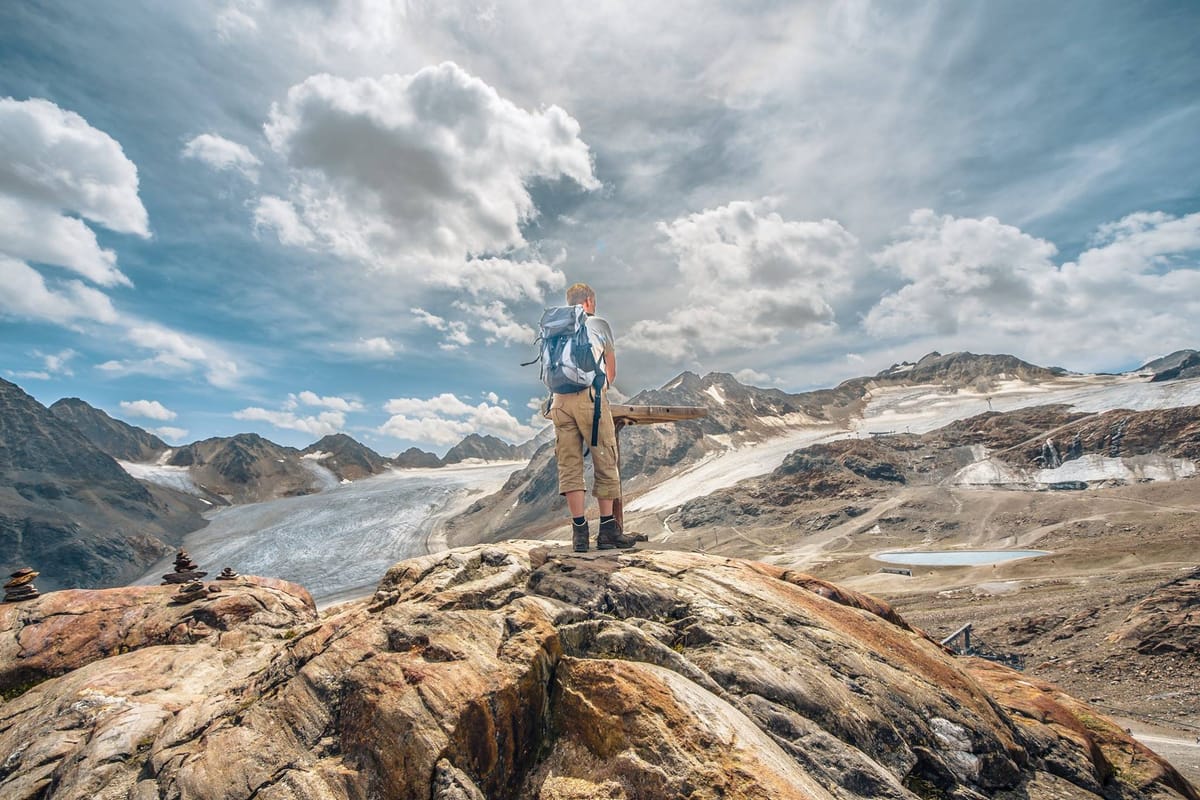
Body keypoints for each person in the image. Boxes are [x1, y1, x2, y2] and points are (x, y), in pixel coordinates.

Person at [551, 282, 638, 552]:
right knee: (605, 460)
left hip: (558, 402)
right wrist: (600, 389)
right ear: (589, 300)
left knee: (569, 465)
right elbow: (610, 371)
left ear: (569, 302)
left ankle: (579, 536)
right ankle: (607, 532)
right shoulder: (599, 324)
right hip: (591, 399)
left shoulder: (555, 329)